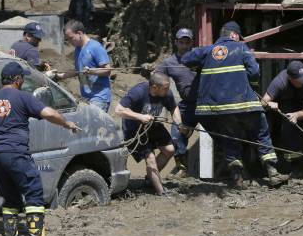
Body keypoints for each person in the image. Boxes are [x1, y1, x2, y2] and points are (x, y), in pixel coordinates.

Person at [0, 61, 80, 236]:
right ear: (17, 79)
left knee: (9, 195)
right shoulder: (24, 97)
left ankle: (10, 234)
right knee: (33, 190)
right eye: (22, 78)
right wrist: (66, 123)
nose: (23, 81)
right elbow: (50, 114)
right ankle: (37, 235)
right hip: (16, 152)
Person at [182, 21, 288, 189]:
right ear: (234, 35)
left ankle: (237, 178)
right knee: (261, 135)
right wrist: (251, 86)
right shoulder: (242, 48)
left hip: (218, 110)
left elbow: (186, 59)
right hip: (245, 104)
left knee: (230, 141)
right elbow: (254, 72)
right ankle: (273, 173)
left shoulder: (207, 51)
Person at [115, 72, 185, 195]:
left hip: (153, 125)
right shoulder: (138, 92)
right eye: (165, 88)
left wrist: (179, 123)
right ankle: (161, 192)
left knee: (169, 150)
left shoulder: (166, 93)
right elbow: (118, 110)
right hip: (135, 129)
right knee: (150, 158)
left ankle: (150, 179)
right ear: (154, 87)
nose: (168, 91)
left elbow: (174, 107)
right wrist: (140, 116)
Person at [155, 27, 198, 177]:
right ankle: (183, 168)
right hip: (187, 104)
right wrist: (148, 71)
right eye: (182, 42)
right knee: (176, 133)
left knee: (219, 134)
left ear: (192, 42)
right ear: (176, 43)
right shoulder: (169, 62)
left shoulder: (199, 56)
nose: (185, 45)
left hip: (206, 102)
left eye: (187, 42)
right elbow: (156, 77)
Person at [53, 20, 112, 112]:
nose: (69, 42)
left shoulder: (95, 47)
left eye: (70, 38)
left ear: (79, 33)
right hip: (86, 97)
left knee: (94, 125)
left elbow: (108, 70)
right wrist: (59, 76)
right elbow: (78, 71)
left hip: (99, 97)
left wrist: (91, 71)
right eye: (67, 39)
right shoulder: (78, 49)